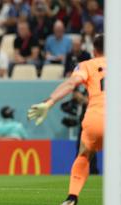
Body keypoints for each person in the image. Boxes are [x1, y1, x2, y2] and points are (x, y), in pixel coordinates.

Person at [27, 34, 105, 205]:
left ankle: (72, 197)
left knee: (84, 154)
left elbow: (71, 84)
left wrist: (49, 102)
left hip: (96, 117)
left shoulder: (87, 65)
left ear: (93, 50)